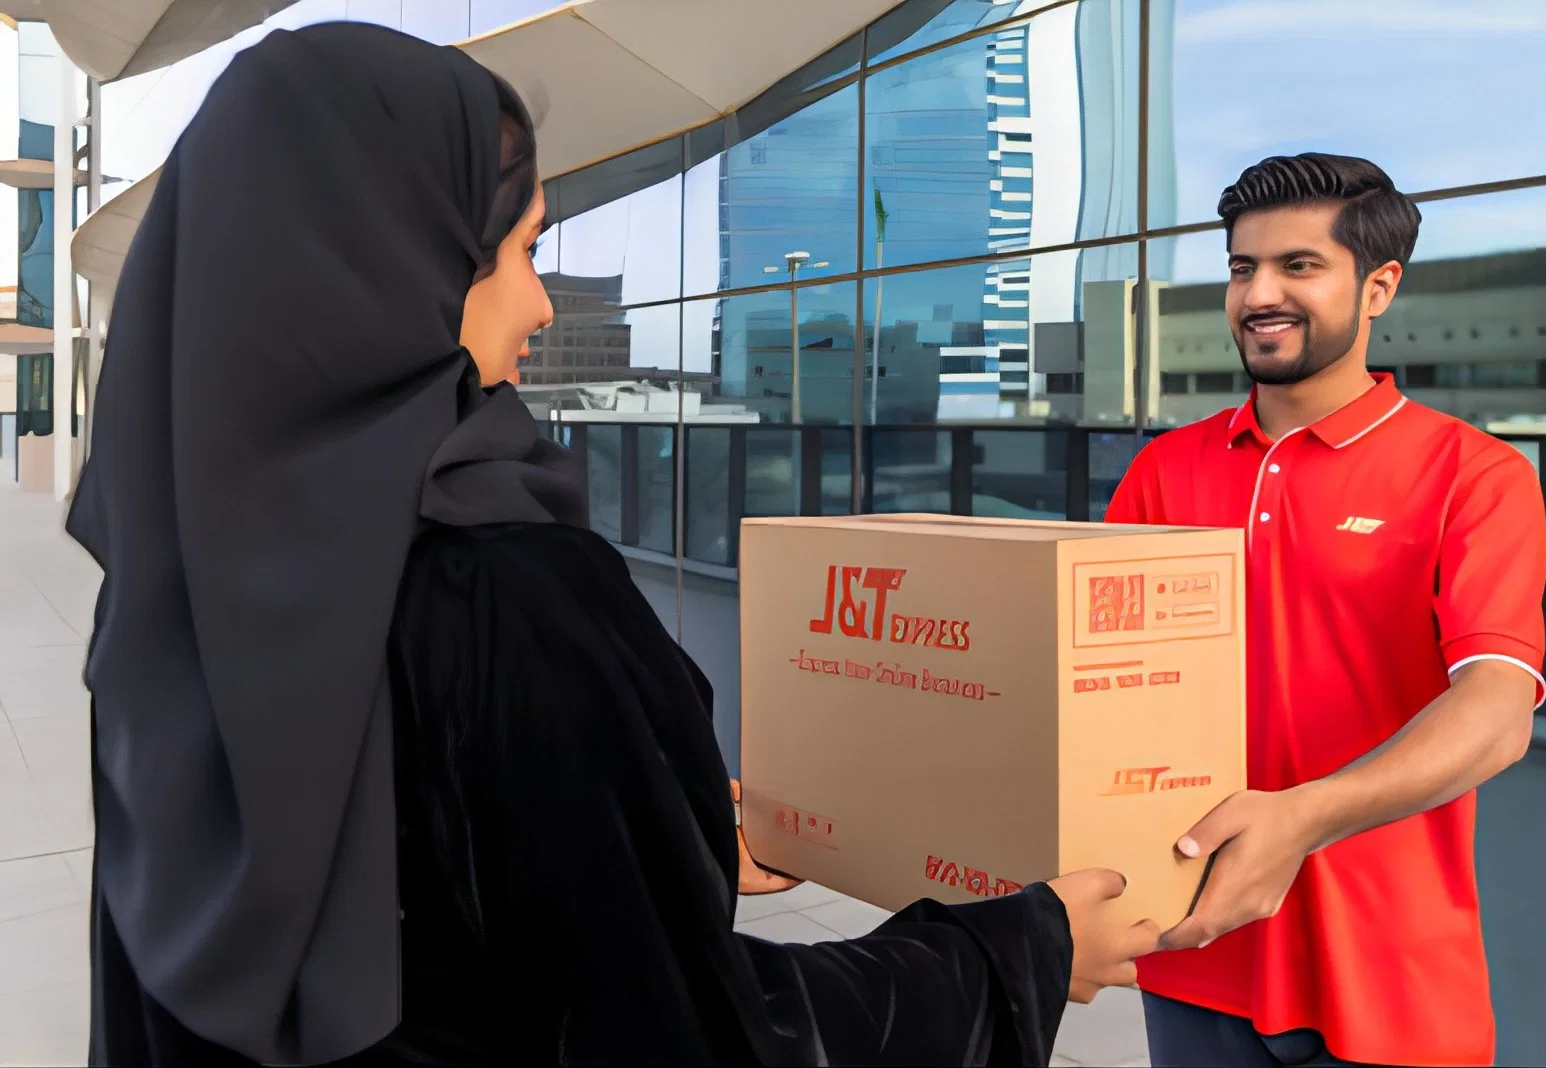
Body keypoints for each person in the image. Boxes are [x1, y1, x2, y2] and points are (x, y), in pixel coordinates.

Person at [68, 22, 1160, 1067]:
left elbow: (375, 901)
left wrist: (651, 839)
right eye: (522, 246)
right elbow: (680, 1035)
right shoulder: (512, 591)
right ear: (395, 261)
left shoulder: (167, 593)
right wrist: (1017, 951)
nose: (539, 304)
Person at [1108, 153, 1546, 1067]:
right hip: (1196, 945)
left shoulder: (1475, 476)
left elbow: (1498, 711)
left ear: (1379, 286)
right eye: (1241, 267)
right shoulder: (1164, 470)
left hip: (1389, 972)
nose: (1259, 293)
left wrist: (1303, 816)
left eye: (1298, 266)